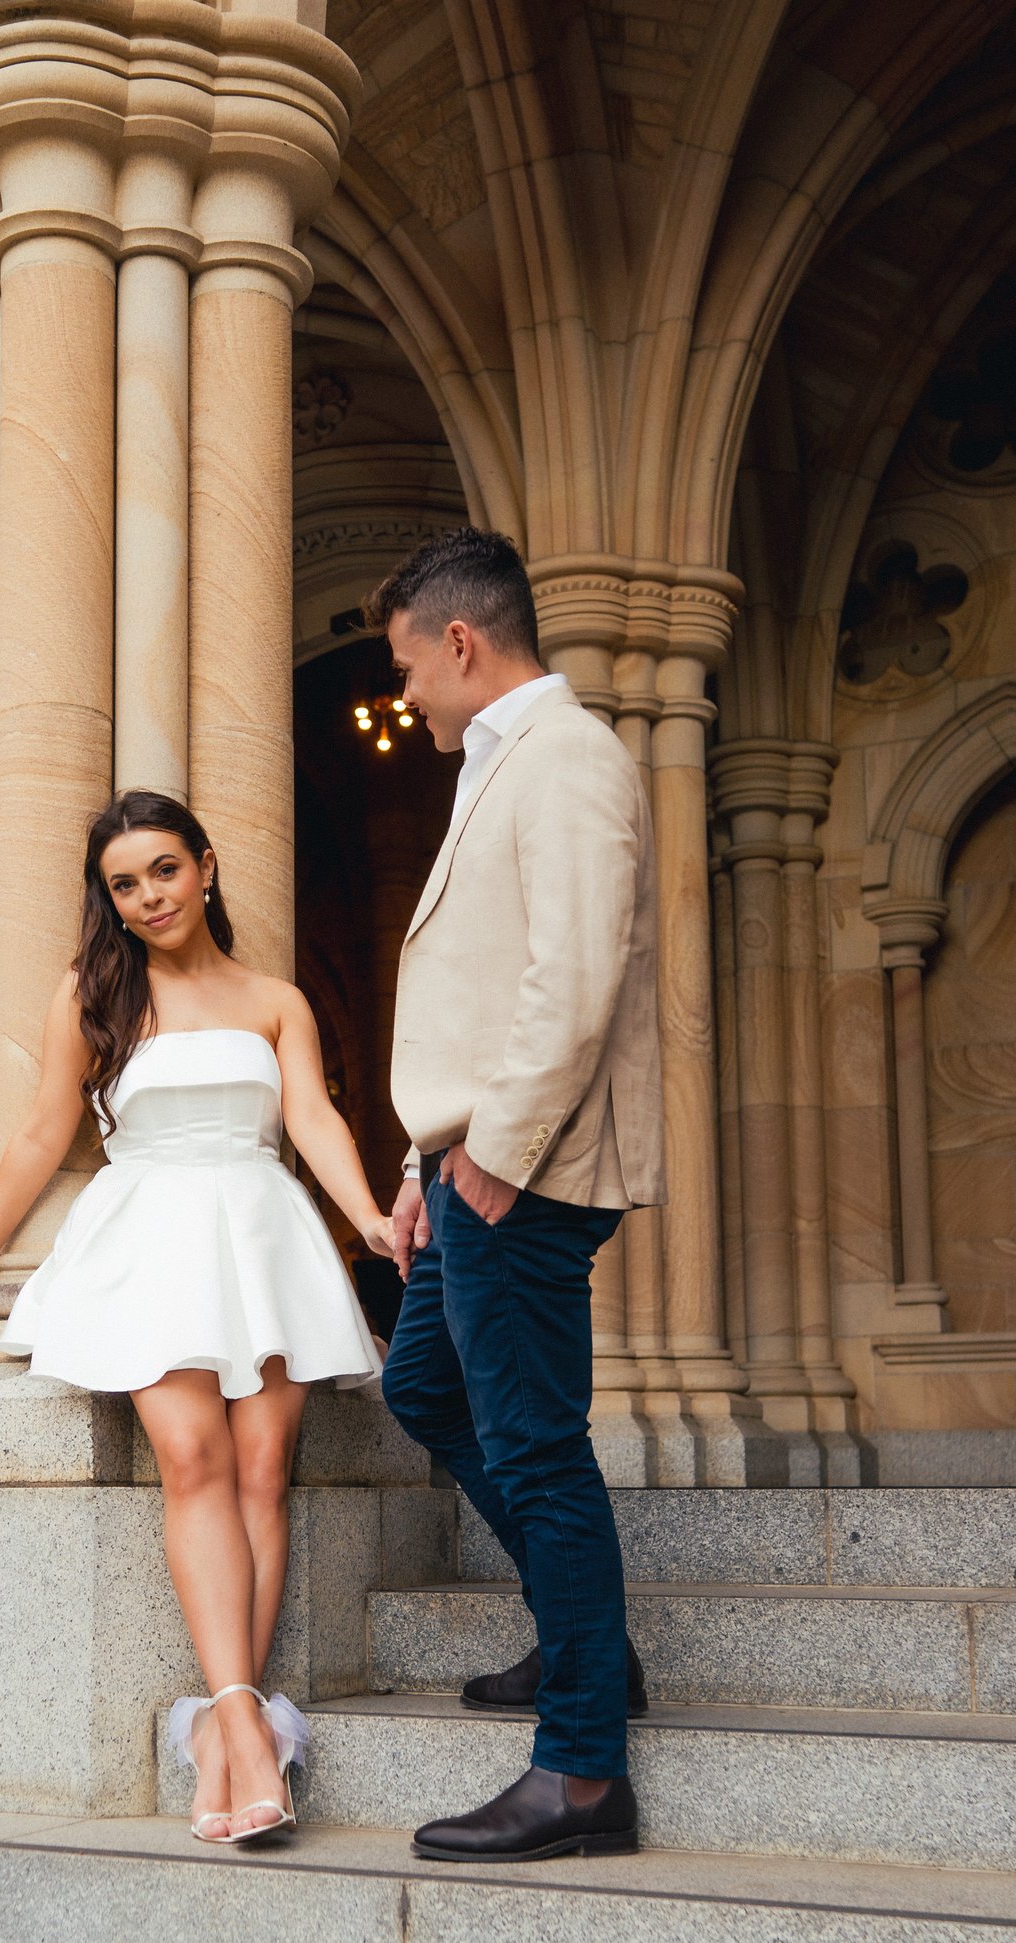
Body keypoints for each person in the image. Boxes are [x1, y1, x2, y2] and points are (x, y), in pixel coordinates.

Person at [0, 791, 391, 1846]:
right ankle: (246, 1731)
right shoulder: (93, 997)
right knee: (194, 1461)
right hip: (148, 1236)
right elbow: (40, 1135)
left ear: (207, 868)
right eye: (124, 884)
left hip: (263, 1232)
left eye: (164, 870)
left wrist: (369, 1220)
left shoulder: (276, 1001)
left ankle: (231, 1737)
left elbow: (312, 1116)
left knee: (266, 1472)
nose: (148, 897)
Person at [372, 527, 665, 1862]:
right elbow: (485, 992)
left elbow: (575, 975)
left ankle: (584, 1774)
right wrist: (427, 1165)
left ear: (461, 642)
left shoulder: (569, 760)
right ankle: (585, 1643)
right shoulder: (505, 764)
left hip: (525, 1167)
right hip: (470, 1162)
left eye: (407, 666)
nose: (408, 694)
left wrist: (492, 1153)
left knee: (536, 1441)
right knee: (424, 1389)